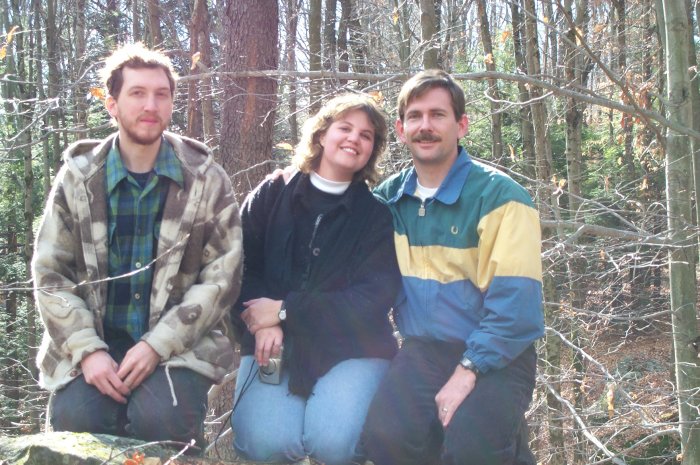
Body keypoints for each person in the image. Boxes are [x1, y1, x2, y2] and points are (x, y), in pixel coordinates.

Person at [31, 43, 242, 450]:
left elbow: (222, 277)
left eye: (161, 94)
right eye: (137, 93)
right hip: (92, 342)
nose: (151, 105)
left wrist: (156, 344)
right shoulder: (79, 178)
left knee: (161, 419)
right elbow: (51, 273)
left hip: (177, 347)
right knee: (77, 422)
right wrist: (87, 351)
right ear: (112, 104)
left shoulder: (204, 179)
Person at [362, 69, 545, 465]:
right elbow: (337, 221)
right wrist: (296, 178)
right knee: (383, 437)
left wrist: (468, 371)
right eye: (415, 116)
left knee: (471, 450)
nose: (425, 126)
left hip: (498, 353)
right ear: (399, 128)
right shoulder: (387, 201)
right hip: (425, 349)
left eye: (437, 115)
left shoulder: (501, 198)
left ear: (461, 125)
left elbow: (516, 311)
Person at [230, 94, 401, 465]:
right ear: (322, 134)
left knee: (334, 445)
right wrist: (259, 324)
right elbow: (240, 266)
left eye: (366, 135)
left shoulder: (376, 217)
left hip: (353, 350)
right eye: (344, 128)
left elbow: (373, 298)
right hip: (272, 348)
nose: (354, 139)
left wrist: (287, 311)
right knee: (266, 445)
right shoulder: (273, 193)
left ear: (372, 149)